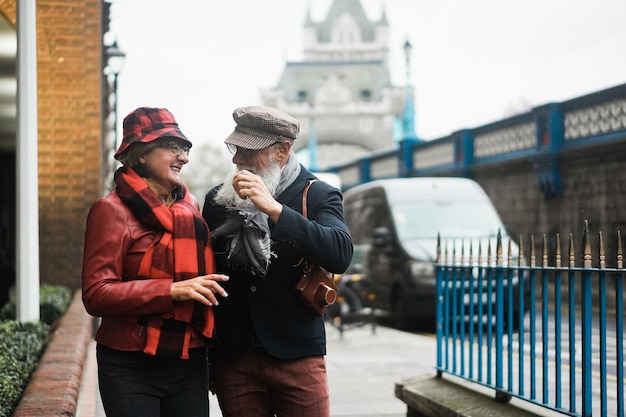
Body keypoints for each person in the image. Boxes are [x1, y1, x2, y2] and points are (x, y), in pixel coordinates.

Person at [202, 105, 353, 417]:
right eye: (235, 148)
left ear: (282, 151)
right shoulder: (218, 200)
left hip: (297, 354)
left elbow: (340, 254)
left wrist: (275, 210)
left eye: (247, 151)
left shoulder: (319, 194)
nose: (236, 159)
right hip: (235, 360)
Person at [82, 107, 229, 417]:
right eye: (172, 147)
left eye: (184, 149)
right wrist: (171, 291)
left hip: (188, 360)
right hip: (130, 365)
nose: (184, 158)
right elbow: (96, 294)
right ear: (141, 155)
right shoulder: (110, 211)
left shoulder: (191, 208)